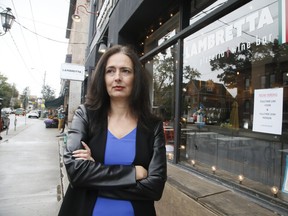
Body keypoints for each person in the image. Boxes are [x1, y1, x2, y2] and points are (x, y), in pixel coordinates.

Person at [58, 45, 167, 216]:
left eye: (125, 71)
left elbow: (155, 188)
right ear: (103, 77)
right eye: (110, 71)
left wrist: (93, 177)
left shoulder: (152, 126)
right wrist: (133, 173)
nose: (117, 77)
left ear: (136, 77)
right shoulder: (85, 115)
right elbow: (76, 171)